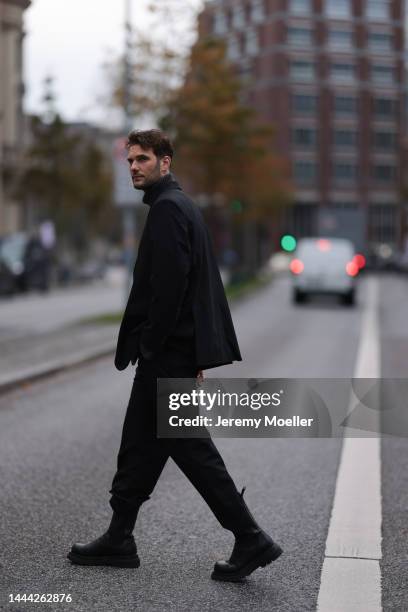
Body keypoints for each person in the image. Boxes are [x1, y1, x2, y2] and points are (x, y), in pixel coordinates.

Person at [67, 129, 282, 581]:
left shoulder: (167, 210)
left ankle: (250, 537)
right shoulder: (179, 207)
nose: (134, 167)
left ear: (165, 162)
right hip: (175, 354)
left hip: (165, 356)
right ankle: (119, 537)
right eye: (130, 161)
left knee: (190, 448)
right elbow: (194, 288)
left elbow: (171, 290)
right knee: (140, 445)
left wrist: (154, 349)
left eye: (143, 159)